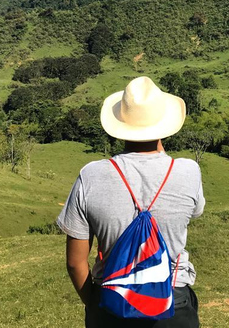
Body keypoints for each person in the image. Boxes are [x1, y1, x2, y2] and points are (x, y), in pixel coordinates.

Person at [57, 76, 205, 328]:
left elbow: (74, 262)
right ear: (164, 125)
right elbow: (196, 211)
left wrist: (95, 305)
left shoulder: (91, 176)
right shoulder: (188, 171)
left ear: (119, 126)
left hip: (111, 302)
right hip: (173, 302)